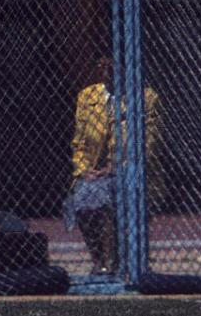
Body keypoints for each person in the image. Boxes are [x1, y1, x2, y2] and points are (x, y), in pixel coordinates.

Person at [63, 57, 163, 275]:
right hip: (94, 174)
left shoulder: (145, 97)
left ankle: (117, 259)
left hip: (129, 170)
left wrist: (116, 168)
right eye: (101, 65)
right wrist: (82, 170)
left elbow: (148, 144)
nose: (107, 70)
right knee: (84, 198)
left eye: (114, 65)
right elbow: (79, 143)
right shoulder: (87, 97)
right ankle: (101, 260)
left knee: (109, 194)